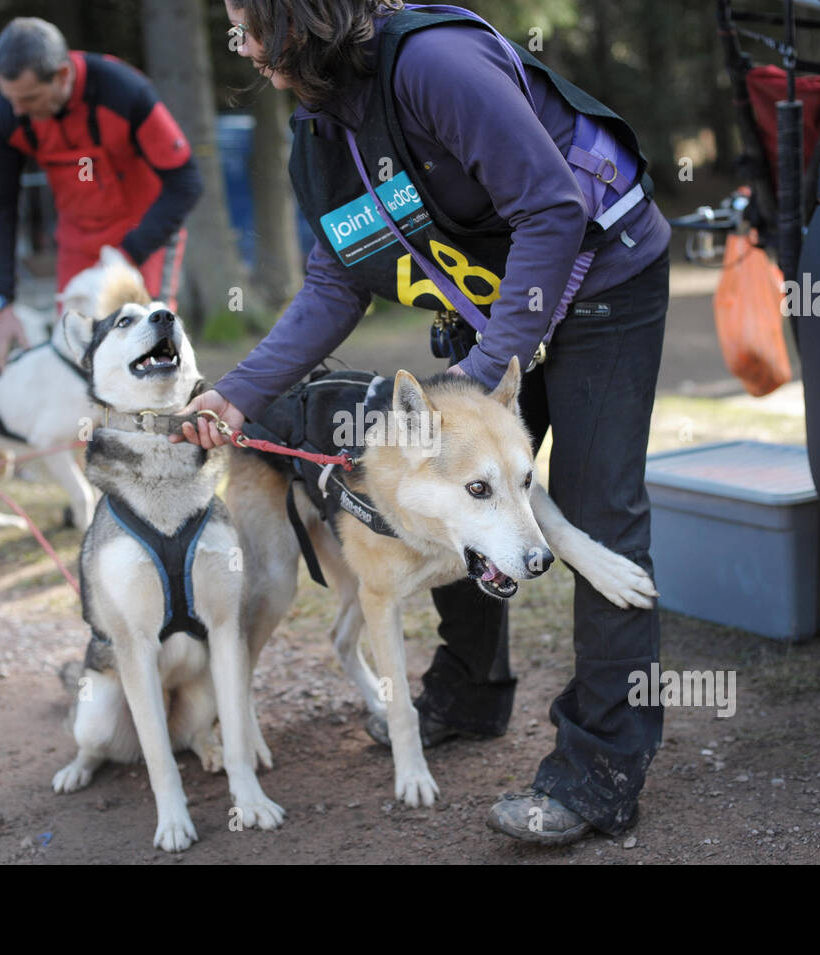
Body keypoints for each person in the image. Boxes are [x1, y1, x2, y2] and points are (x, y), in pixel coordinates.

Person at [176, 0, 669, 846]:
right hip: (492, 303)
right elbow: (337, 283)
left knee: (593, 512)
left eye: (249, 25)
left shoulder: (435, 66)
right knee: (449, 496)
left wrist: (474, 387)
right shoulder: (322, 130)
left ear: (301, 19)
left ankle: (599, 772)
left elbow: (552, 210)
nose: (242, 47)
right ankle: (471, 694)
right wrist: (240, 393)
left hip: (598, 281)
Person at [0, 17, 203, 376]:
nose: (18, 110)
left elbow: (186, 181)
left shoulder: (124, 92)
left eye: (30, 98)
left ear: (63, 75)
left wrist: (129, 254)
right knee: (75, 357)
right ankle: (86, 435)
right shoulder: (9, 114)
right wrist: (2, 303)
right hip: (78, 241)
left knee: (149, 350)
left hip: (141, 238)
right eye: (10, 99)